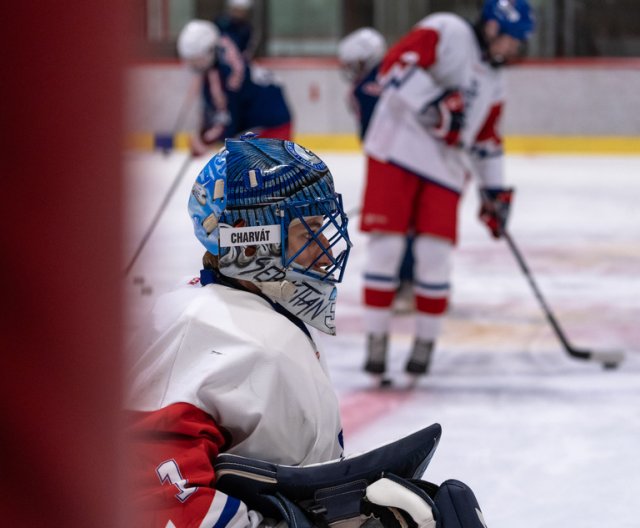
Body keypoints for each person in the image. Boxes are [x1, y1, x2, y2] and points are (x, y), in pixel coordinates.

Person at [124, 136, 486, 527]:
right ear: (247, 238)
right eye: (308, 231)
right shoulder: (199, 328)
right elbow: (154, 490)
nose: (327, 253)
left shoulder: (257, 314)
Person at [360, 0, 535, 379]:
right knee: (386, 248)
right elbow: (395, 63)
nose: (514, 49)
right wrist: (435, 105)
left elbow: (486, 138)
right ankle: (376, 341)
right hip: (396, 148)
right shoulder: (447, 29)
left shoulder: (496, 81)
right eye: (512, 40)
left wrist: (495, 190)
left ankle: (424, 347)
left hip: (445, 167)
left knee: (434, 254)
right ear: (491, 28)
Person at [338, 28, 416, 312]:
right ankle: (419, 283)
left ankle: (405, 284)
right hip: (419, 160)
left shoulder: (362, 89)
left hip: (392, 165)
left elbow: (370, 137)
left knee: (396, 226)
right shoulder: (400, 72)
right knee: (413, 224)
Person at [177, 19, 291, 156]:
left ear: (209, 51)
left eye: (196, 60)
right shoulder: (223, 47)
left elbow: (229, 121)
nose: (193, 66)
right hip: (272, 118)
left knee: (247, 173)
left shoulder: (223, 73)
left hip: (268, 125)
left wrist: (204, 139)